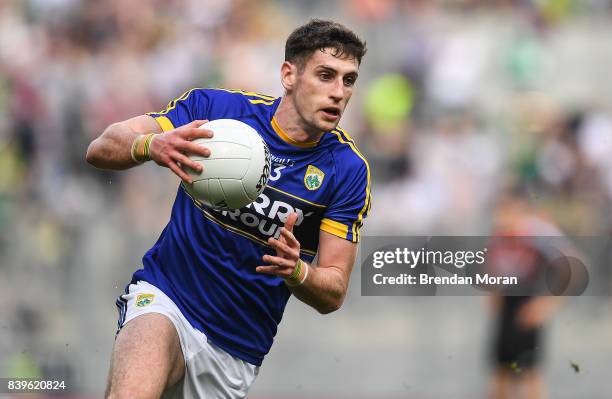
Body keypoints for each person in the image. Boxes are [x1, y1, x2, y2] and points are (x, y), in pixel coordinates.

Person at [86, 19, 370, 399]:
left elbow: (333, 290)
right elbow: (101, 148)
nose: (338, 92)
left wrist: (297, 270)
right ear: (289, 74)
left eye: (348, 80)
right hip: (166, 297)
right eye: (325, 75)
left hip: (233, 354)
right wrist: (150, 146)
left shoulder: (347, 170)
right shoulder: (216, 112)